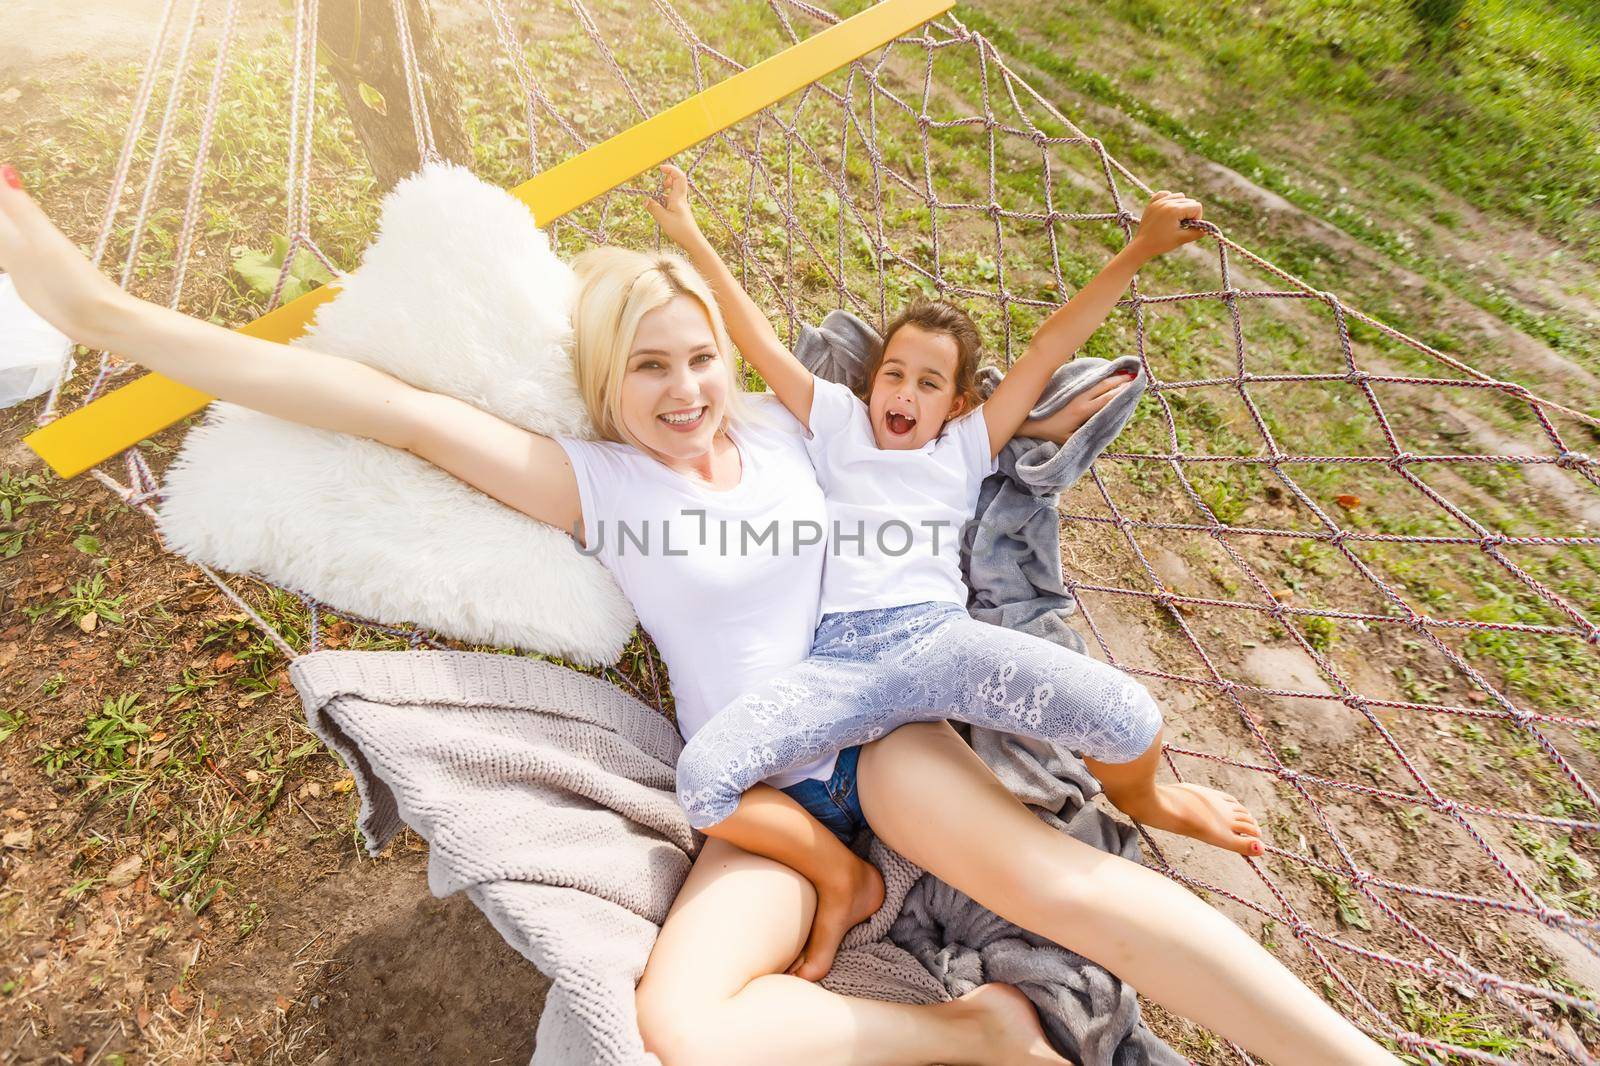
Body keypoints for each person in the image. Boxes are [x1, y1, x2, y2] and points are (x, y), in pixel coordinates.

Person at [0, 161, 1398, 1065]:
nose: (682, 389)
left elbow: (979, 415)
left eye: (699, 359)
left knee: (1074, 888)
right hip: (753, 794)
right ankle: (977, 1038)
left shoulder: (805, 439)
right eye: (646, 368)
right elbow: (389, 411)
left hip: (883, 736)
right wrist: (90, 303)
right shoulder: (598, 484)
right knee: (684, 1020)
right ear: (606, 388)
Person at [646, 164, 1263, 981]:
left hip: (938, 643)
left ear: (959, 404)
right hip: (839, 665)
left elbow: (1050, 345)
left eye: (928, 383)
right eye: (894, 373)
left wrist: (1138, 251)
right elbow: (754, 335)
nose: (903, 391)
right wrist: (688, 232)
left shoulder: (965, 448)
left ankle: (1147, 800)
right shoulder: (837, 422)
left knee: (1128, 716)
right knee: (703, 782)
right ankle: (844, 880)